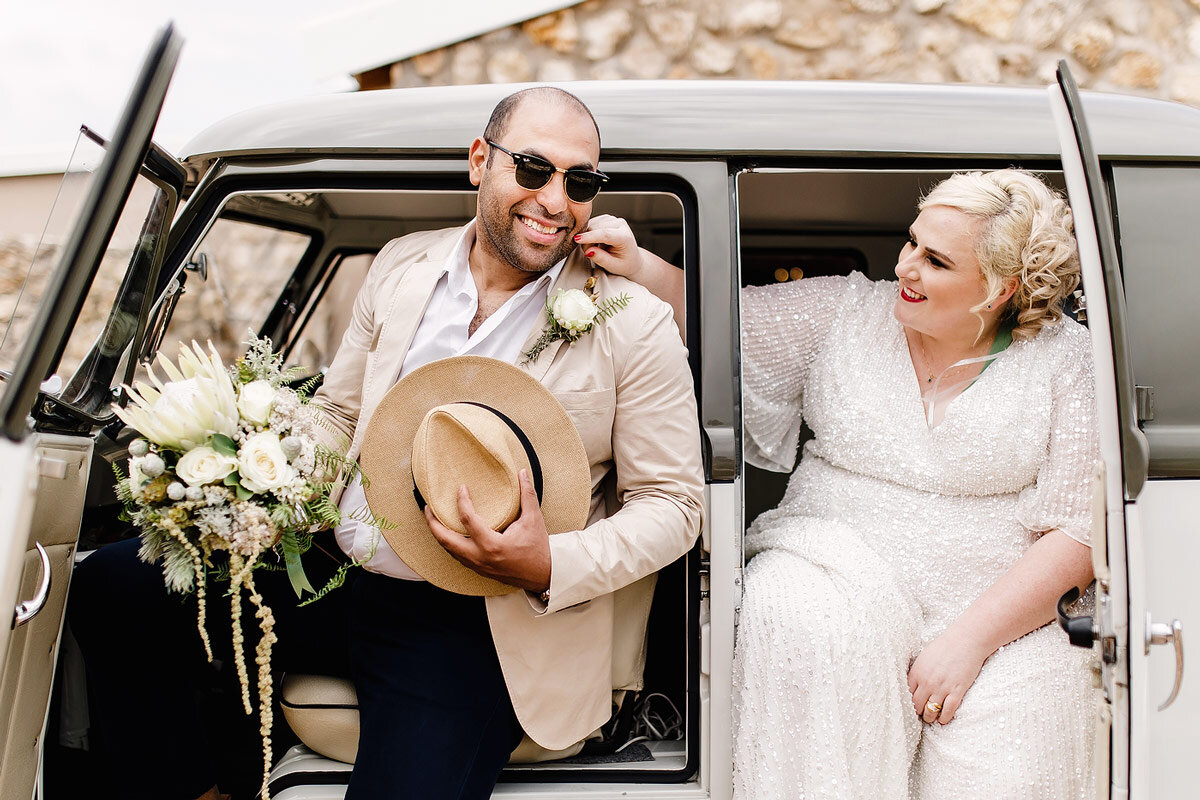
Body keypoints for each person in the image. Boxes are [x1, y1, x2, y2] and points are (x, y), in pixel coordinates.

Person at [69, 86, 704, 800]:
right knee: (111, 586)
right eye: (533, 169)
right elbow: (339, 414)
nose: (555, 200)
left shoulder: (632, 322)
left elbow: (674, 504)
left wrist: (548, 561)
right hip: (338, 574)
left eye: (579, 181)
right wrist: (255, 471)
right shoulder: (402, 266)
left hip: (482, 623)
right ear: (478, 161)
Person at [602, 168, 1099, 799]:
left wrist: (969, 641)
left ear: (999, 288)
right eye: (911, 243)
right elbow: (726, 320)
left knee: (1027, 723)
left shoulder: (1067, 359)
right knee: (793, 617)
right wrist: (640, 266)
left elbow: (1079, 530)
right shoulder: (846, 311)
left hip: (999, 611)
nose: (907, 268)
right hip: (834, 567)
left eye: (936, 260)